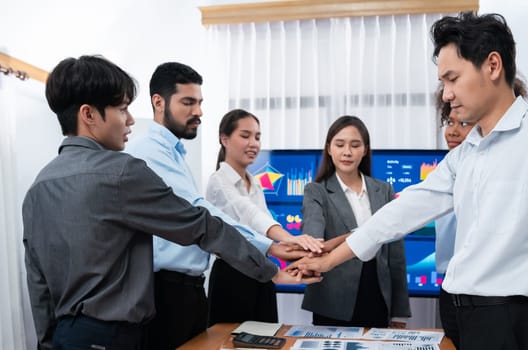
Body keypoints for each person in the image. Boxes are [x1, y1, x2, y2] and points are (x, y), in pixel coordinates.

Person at [290, 12, 528, 350]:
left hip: (512, 319)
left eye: (452, 79)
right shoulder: (467, 152)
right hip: (463, 316)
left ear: (492, 65)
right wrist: (329, 260)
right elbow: (402, 212)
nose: (447, 94)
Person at [22, 56, 319, 350]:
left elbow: (38, 282)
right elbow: (198, 223)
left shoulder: (39, 186)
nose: (129, 120)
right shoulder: (123, 171)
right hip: (115, 336)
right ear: (88, 114)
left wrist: (48, 342)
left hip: (66, 335)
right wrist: (269, 269)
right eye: (122, 109)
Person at [125, 63, 315, 349]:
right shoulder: (150, 152)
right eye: (188, 102)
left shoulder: (175, 154)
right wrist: (272, 245)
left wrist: (275, 246)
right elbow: (201, 212)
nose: (198, 112)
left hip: (189, 288)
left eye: (200, 103)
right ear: (158, 102)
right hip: (169, 290)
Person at [433, 78, 528, 349]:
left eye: (463, 123)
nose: (452, 132)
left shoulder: (508, 169)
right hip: (451, 290)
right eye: (449, 123)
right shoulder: (450, 167)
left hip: (496, 299)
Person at [204, 108, 324, 326]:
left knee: (266, 338)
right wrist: (290, 238)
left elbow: (262, 221)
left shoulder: (254, 181)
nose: (254, 143)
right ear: (225, 139)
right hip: (232, 276)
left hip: (262, 271)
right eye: (245, 135)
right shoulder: (218, 181)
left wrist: (301, 253)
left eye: (257, 137)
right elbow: (250, 216)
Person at [298, 115, 410, 328]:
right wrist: (314, 244)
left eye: (355, 145)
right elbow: (313, 228)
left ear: (365, 150)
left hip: (377, 294)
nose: (347, 152)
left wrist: (398, 313)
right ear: (329, 149)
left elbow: (395, 255)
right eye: (340, 145)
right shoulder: (316, 190)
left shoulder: (383, 190)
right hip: (332, 298)